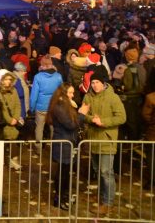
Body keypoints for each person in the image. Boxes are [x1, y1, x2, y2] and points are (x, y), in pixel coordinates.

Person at [78, 65, 126, 216]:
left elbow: (121, 117)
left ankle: (108, 203)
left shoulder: (113, 97)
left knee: (106, 172)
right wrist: (92, 119)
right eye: (92, 83)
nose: (94, 85)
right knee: (98, 171)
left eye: (97, 82)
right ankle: (102, 196)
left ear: (103, 82)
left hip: (106, 139)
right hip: (93, 139)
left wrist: (103, 122)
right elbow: (82, 115)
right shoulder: (88, 97)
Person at [47, 84, 83, 210]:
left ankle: (65, 196)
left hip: (68, 142)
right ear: (63, 93)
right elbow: (70, 124)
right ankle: (59, 198)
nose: (72, 95)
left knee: (66, 172)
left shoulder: (66, 105)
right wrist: (81, 114)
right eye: (70, 93)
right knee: (62, 173)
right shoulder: (59, 107)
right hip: (63, 143)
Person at [30, 55, 63, 149]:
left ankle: (38, 149)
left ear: (42, 64)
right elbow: (61, 92)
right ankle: (53, 148)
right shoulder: (58, 76)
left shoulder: (37, 77)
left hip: (41, 107)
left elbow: (34, 95)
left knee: (39, 128)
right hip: (54, 106)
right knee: (53, 128)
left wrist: (32, 108)